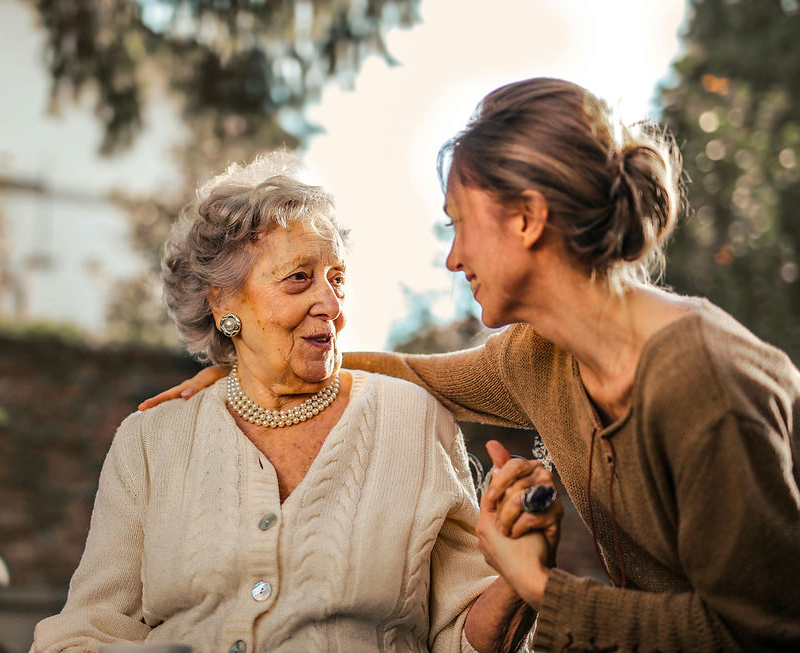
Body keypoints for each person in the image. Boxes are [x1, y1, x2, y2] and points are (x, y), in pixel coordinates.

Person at [139, 79, 800, 651]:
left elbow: (759, 631)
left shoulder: (701, 381)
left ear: (528, 218)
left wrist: (538, 584)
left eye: (459, 223)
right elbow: (413, 374)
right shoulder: (539, 357)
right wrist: (259, 369)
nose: (453, 258)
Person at [32, 153, 557, 653]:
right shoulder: (151, 440)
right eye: (299, 278)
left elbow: (465, 638)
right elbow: (87, 628)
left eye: (338, 280)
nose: (330, 305)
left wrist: (516, 580)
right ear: (223, 302)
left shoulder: (414, 422)